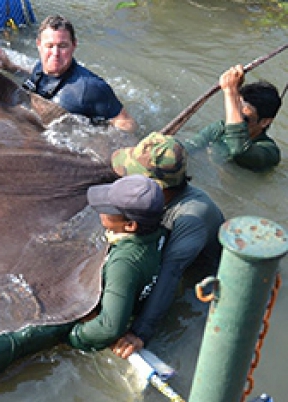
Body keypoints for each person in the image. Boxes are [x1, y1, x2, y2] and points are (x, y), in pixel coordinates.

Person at [108, 133, 225, 359]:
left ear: (157, 187)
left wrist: (140, 332)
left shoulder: (191, 217)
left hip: (202, 280)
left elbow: (170, 275)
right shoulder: (160, 199)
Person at [0, 15, 137, 133]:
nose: (55, 53)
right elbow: (42, 82)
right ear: (39, 45)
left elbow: (127, 123)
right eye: (49, 46)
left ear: (74, 46)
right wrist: (9, 67)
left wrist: (97, 143)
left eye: (62, 46)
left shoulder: (90, 87)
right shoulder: (40, 67)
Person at [67, 175, 165, 352]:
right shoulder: (160, 231)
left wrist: (77, 336)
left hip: (110, 308)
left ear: (129, 226)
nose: (101, 212)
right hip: (133, 291)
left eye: (107, 210)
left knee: (26, 336)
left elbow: (110, 327)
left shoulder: (123, 264)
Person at [182, 65, 282, 171]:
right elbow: (188, 149)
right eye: (234, 112)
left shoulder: (269, 151)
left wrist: (231, 92)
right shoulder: (219, 130)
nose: (235, 119)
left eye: (243, 117)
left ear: (265, 122)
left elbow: (239, 150)